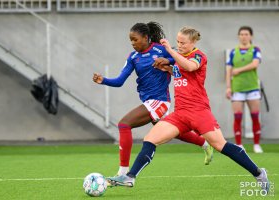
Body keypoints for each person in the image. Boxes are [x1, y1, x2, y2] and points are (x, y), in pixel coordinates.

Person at [107, 26, 269, 193]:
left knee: (221, 145)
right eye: (177, 42)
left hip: (199, 111)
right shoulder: (178, 58)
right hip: (180, 113)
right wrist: (169, 68)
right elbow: (181, 72)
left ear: (193, 42)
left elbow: (190, 67)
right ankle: (130, 177)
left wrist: (169, 50)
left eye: (183, 42)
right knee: (150, 139)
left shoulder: (198, 55)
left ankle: (258, 173)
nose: (179, 45)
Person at [93, 22, 213, 177]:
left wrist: (167, 60)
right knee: (175, 132)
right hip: (149, 101)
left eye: (135, 39)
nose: (132, 43)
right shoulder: (133, 57)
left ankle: (123, 172)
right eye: (131, 40)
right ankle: (204, 143)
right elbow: (120, 81)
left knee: (124, 124)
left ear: (146, 37)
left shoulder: (160, 49)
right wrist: (104, 80)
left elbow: (181, 58)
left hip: (160, 100)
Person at [226, 26, 263, 153]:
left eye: (246, 34)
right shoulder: (233, 52)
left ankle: (256, 144)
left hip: (252, 87)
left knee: (255, 116)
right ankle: (239, 145)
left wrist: (238, 70)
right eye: (241, 34)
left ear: (251, 36)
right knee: (237, 117)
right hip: (237, 88)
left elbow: (255, 64)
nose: (244, 36)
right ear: (238, 36)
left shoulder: (255, 50)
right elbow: (228, 70)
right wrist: (228, 87)